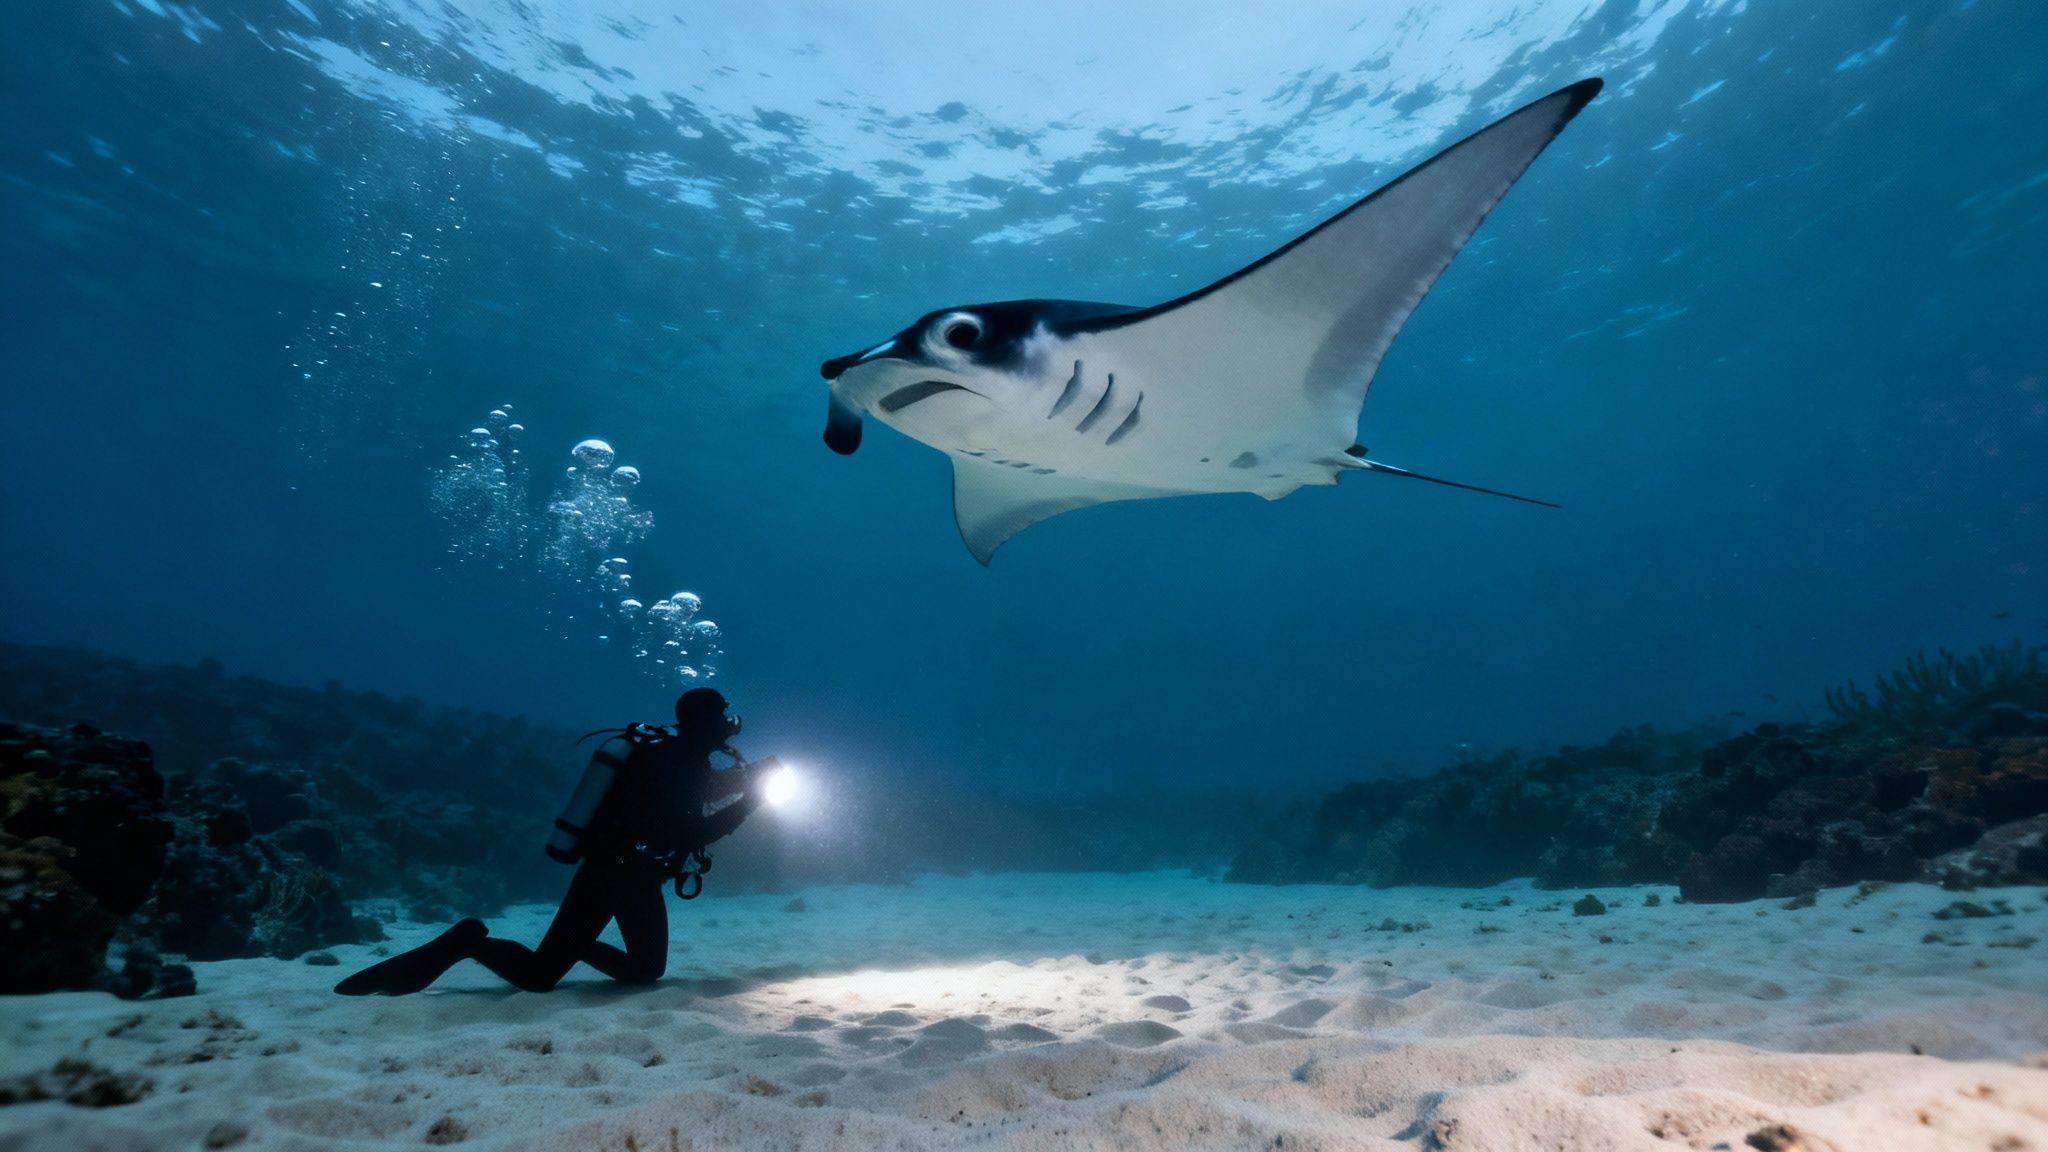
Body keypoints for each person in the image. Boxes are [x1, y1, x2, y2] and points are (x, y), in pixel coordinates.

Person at [335, 688, 766, 995]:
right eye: (724, 716)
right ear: (706, 722)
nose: (731, 725)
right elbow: (693, 830)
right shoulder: (675, 761)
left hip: (636, 876)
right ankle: (469, 942)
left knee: (646, 970)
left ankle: (571, 945)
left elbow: (698, 794)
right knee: (539, 976)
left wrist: (750, 777)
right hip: (610, 873)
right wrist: (751, 801)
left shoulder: (672, 753)